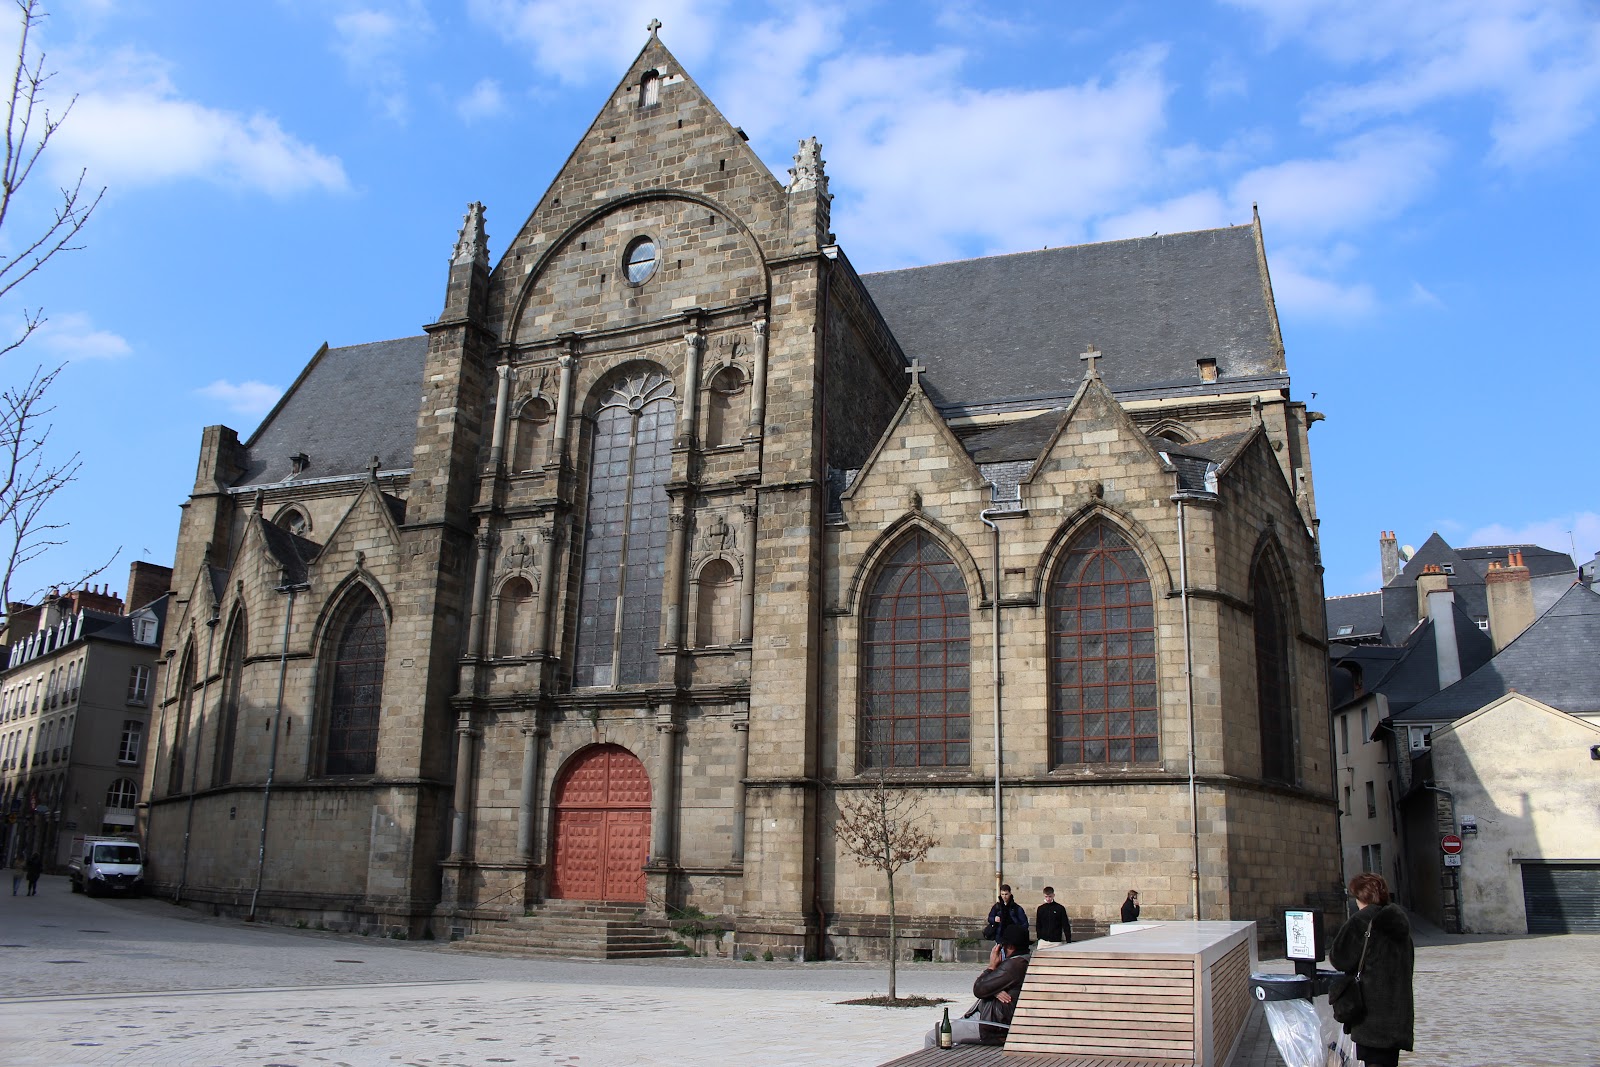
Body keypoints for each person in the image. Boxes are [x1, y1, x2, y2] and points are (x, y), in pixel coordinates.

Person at [1329, 873, 1414, 1067]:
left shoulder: (1361, 920)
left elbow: (1339, 958)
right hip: (1397, 1013)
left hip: (1370, 1014)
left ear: (1361, 897)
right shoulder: (1398, 919)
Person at [925, 925, 1032, 1047]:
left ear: (1010, 947)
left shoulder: (1013, 965)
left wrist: (991, 966)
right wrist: (994, 991)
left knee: (932, 1037)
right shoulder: (1024, 960)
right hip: (996, 1019)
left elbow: (979, 989)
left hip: (991, 1023)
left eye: (1002, 945)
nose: (1000, 949)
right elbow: (987, 988)